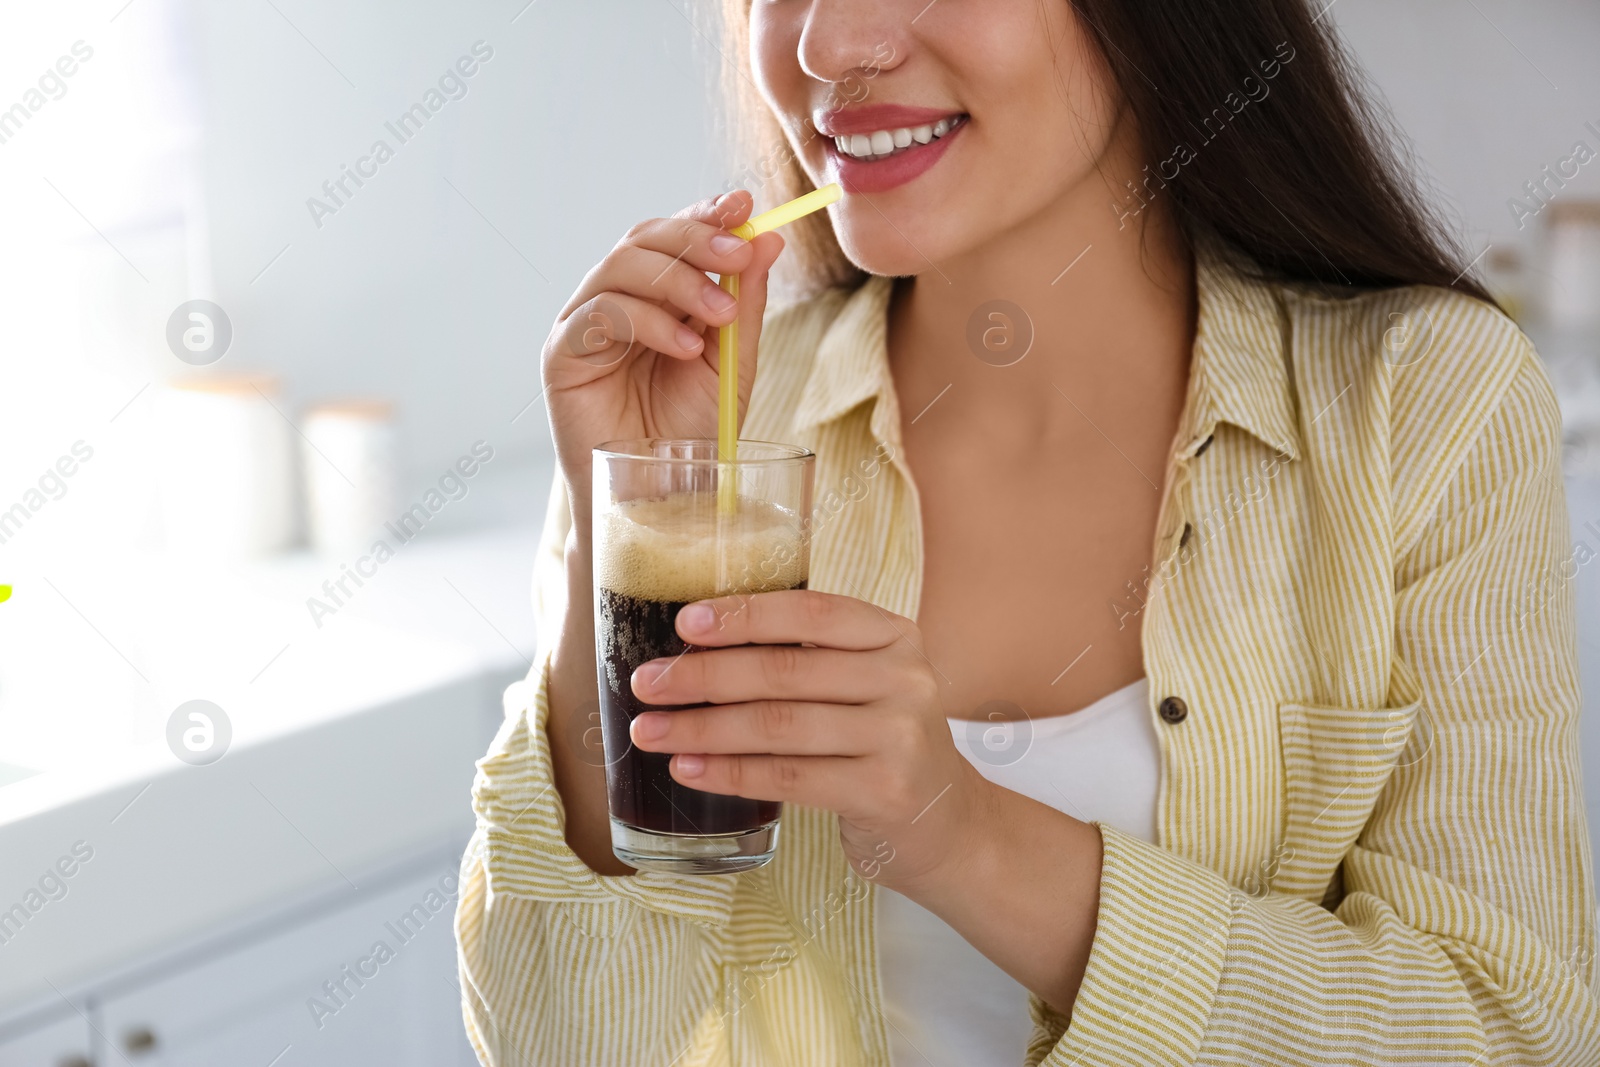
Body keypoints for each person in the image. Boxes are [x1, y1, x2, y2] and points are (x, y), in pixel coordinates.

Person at [455, 1, 1600, 1063]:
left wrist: (968, 839)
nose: (826, 45)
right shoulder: (703, 419)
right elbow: (563, 1043)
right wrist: (621, 545)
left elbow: (1502, 1027)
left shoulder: (1420, 402)